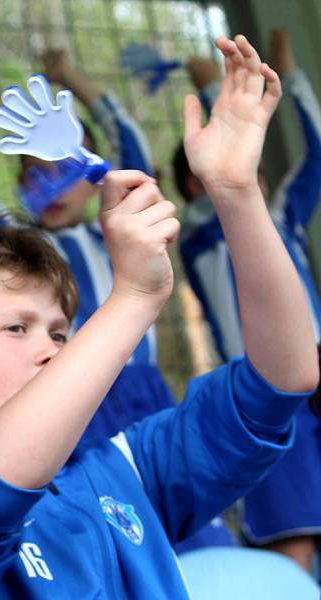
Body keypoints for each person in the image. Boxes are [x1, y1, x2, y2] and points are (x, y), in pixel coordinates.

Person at [0, 35, 318, 598]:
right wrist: (132, 297)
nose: (55, 348)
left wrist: (235, 193)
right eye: (17, 327)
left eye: (62, 331)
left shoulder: (126, 468)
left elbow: (282, 381)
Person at [0, 51, 180, 446]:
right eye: (35, 173)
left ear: (90, 174)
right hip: (76, 396)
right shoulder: (25, 244)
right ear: (21, 182)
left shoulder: (119, 229)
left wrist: (69, 76)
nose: (50, 181)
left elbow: (128, 142)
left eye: (65, 167)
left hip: (143, 387)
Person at [175, 29, 321, 571]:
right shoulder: (197, 236)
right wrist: (219, 88)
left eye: (255, 159)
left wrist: (290, 71)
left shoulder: (284, 217)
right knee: (294, 539)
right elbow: (225, 183)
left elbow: (318, 154)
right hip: (266, 391)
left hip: (318, 372)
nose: (245, 165)